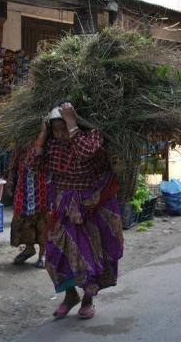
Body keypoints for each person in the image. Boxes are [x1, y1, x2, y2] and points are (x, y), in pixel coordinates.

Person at [26, 101, 124, 319]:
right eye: (56, 130)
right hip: (64, 206)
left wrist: (71, 123)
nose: (60, 135)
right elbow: (33, 165)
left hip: (92, 205)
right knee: (54, 253)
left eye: (63, 129)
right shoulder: (53, 145)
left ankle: (87, 299)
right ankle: (70, 295)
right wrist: (42, 136)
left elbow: (85, 152)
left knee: (88, 256)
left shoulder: (93, 136)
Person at [8, 144, 49, 268]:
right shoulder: (22, 142)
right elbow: (13, 162)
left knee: (43, 221)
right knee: (22, 218)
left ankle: (43, 253)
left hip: (43, 188)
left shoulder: (48, 139)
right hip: (24, 187)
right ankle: (29, 248)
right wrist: (10, 181)